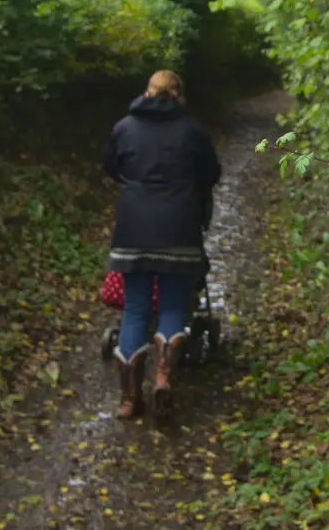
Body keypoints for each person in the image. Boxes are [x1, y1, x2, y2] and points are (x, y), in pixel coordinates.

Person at [101, 69, 221, 419]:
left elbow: (111, 167)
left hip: (133, 228)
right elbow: (211, 174)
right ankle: (163, 379)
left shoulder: (124, 127)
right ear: (179, 96)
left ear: (148, 93)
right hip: (179, 227)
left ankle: (129, 399)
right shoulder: (193, 130)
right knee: (172, 305)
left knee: (136, 308)